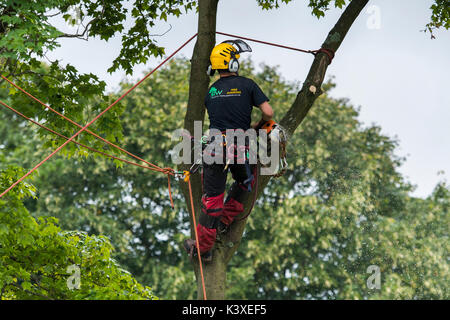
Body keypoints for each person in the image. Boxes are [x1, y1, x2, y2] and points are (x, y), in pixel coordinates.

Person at [184, 40, 274, 262]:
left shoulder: (210, 91)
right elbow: (269, 113)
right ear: (232, 63)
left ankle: (203, 248)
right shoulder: (248, 84)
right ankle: (224, 221)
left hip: (214, 148)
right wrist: (257, 127)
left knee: (212, 199)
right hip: (239, 147)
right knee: (245, 182)